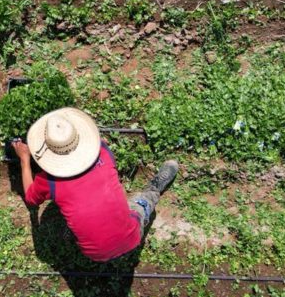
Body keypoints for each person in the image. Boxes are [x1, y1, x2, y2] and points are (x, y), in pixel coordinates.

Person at [12, 107, 178, 262]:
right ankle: (150, 194)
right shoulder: (103, 152)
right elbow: (102, 147)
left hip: (96, 254)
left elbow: (31, 199)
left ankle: (153, 190)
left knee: (78, 209)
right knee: (138, 205)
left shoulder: (49, 181)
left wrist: (25, 160)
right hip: (130, 238)